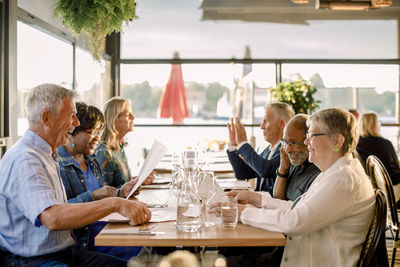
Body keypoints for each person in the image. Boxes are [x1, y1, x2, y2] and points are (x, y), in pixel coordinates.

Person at [0, 84, 151, 266]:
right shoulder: (26, 159)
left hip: (63, 254)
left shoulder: (46, 154)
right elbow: (53, 217)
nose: (76, 122)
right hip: (34, 262)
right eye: (71, 115)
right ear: (47, 118)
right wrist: (115, 203)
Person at [232, 108, 375, 266]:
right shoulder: (334, 172)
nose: (306, 142)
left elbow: (294, 221)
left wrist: (243, 213)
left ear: (337, 141)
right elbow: (297, 208)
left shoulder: (343, 179)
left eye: (312, 136)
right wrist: (256, 199)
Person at [58, 102, 143, 259]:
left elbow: (102, 195)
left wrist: (121, 192)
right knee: (139, 248)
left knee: (146, 240)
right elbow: (60, 212)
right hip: (86, 238)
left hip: (105, 226)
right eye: (91, 132)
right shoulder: (59, 164)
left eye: (99, 131)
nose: (97, 138)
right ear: (72, 132)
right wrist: (94, 195)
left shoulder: (90, 158)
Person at [226, 102, 294, 195]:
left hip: (271, 207)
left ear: (281, 124)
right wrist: (234, 146)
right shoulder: (269, 149)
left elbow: (265, 170)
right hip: (258, 204)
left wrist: (243, 144)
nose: (261, 126)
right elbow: (242, 173)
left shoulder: (287, 150)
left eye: (266, 121)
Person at [96, 97, 155, 188]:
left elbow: (121, 183)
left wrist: (138, 180)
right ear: (114, 119)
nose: (133, 117)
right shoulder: (104, 153)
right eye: (128, 115)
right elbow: (104, 193)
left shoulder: (119, 148)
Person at [356, 112, 400, 186]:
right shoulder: (386, 144)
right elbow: (395, 166)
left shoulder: (356, 143)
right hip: (390, 182)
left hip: (369, 183)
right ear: (376, 125)